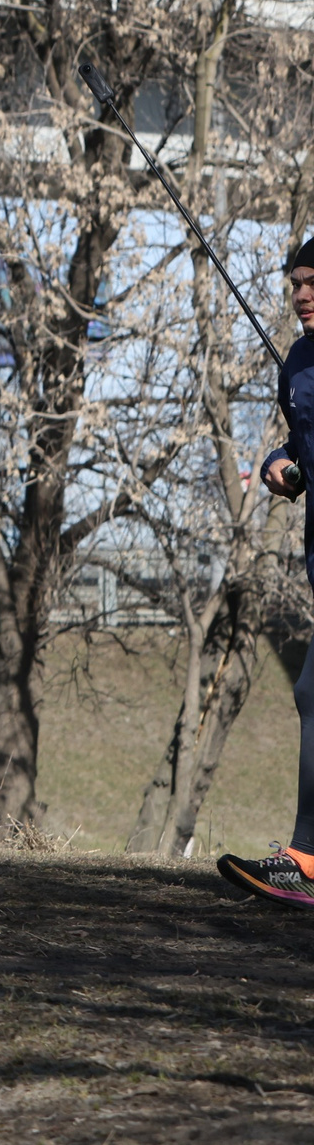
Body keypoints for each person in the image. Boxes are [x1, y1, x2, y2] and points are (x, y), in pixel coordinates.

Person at [217, 240, 314, 910]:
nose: (302, 294)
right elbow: (303, 442)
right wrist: (285, 463)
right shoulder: (301, 363)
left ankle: (306, 860)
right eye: (296, 284)